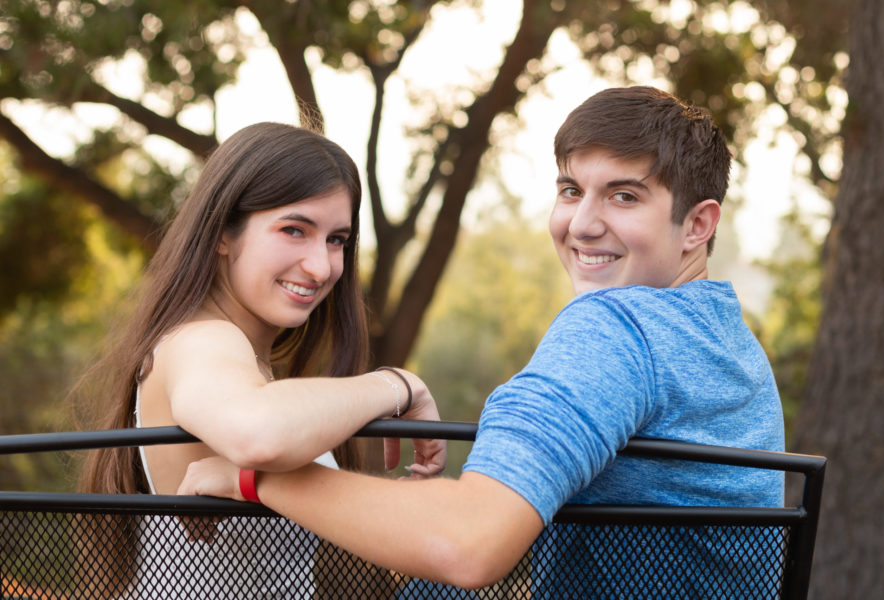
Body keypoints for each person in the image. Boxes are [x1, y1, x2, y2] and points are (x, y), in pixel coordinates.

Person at [178, 87, 785, 595]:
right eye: (571, 190)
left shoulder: (616, 330)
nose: (581, 223)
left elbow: (469, 544)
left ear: (698, 225)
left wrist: (259, 480)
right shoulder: (729, 343)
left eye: (624, 195)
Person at [75, 121, 445, 598]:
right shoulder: (203, 340)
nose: (321, 266)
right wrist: (398, 386)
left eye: (337, 240)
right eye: (294, 230)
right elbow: (258, 434)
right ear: (222, 234)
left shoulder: (248, 365)